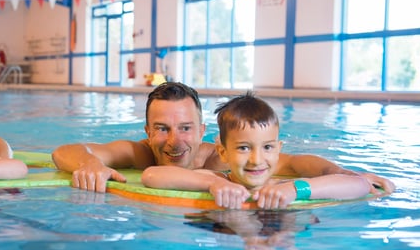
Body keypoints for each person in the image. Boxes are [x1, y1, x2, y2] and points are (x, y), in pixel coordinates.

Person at [52, 82, 395, 194]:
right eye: (162, 129)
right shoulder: (138, 154)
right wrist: (89, 164)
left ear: (204, 133)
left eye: (186, 128)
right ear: (147, 132)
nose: (174, 141)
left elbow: (294, 163)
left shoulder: (224, 160)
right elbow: (64, 151)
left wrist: (341, 172)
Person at [142, 91, 373, 209]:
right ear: (223, 153)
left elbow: (360, 185)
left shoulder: (284, 187)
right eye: (243, 147)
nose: (257, 159)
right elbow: (152, 175)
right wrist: (215, 184)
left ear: (278, 149)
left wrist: (296, 190)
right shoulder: (217, 179)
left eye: (268, 147)